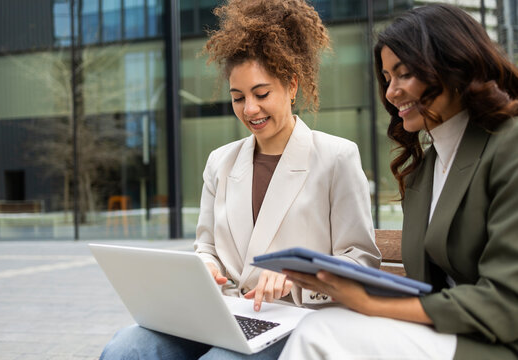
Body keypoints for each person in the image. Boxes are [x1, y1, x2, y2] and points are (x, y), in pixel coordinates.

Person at [99, 0, 380, 359]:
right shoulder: (221, 161)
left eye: (262, 94)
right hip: (227, 313)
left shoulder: (336, 157)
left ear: (292, 86)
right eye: (238, 98)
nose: (250, 109)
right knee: (127, 348)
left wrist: (298, 277)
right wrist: (206, 269)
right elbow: (207, 248)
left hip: (298, 319)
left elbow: (361, 261)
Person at [280, 3, 518, 359]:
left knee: (319, 333)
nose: (390, 93)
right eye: (387, 78)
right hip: (448, 334)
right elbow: (428, 286)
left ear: (452, 64)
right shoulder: (425, 169)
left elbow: (505, 301)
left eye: (404, 73)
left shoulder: (508, 144)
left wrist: (368, 303)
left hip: (499, 344)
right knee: (320, 324)